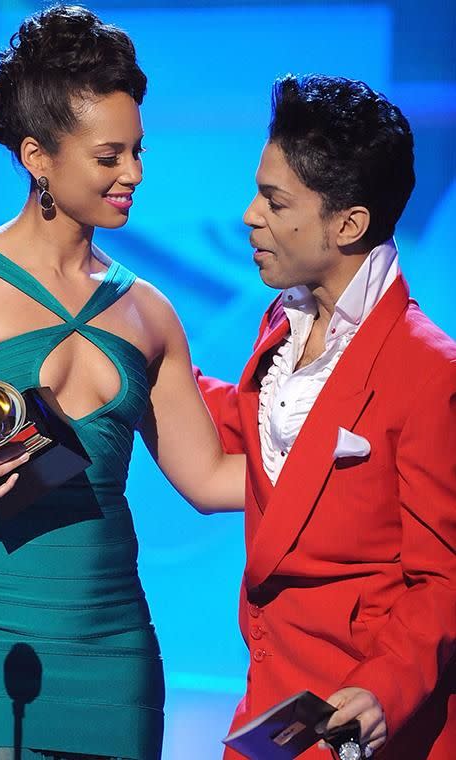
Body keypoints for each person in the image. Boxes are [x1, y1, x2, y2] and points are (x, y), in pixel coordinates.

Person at [0, 6, 244, 760]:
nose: (132, 174)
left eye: (137, 152)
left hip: (111, 634)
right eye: (108, 157)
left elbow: (207, 478)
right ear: (38, 156)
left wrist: (357, 460)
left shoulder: (149, 311)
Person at [196, 74, 456, 760]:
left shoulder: (430, 371)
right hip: (272, 710)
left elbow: (444, 578)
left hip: (364, 722)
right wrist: (145, 357)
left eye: (274, 201)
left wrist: (380, 692)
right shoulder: (280, 326)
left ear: (348, 224)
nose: (250, 215)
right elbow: (261, 427)